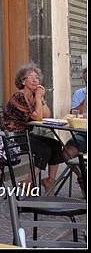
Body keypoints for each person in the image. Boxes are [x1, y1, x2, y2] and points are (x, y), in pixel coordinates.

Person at [3, 63, 64, 193]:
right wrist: (38, 96)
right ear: (23, 81)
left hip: (26, 134)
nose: (35, 80)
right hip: (15, 137)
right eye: (31, 77)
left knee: (56, 145)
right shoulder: (18, 97)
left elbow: (46, 115)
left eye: (37, 77)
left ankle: (50, 181)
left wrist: (41, 98)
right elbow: (37, 117)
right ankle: (28, 182)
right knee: (44, 150)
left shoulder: (32, 97)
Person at [62, 67, 87, 195]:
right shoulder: (79, 93)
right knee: (67, 152)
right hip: (83, 134)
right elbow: (74, 113)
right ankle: (83, 179)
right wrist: (85, 100)